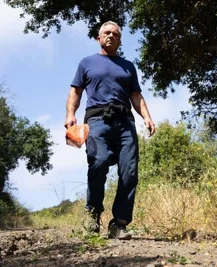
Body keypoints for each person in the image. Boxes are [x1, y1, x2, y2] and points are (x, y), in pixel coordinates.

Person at [64, 21, 155, 240]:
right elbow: (75, 91)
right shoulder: (87, 63)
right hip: (97, 120)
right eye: (107, 33)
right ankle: (93, 215)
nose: (111, 36)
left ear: (120, 40)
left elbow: (136, 95)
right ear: (99, 38)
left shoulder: (128, 66)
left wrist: (147, 117)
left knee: (129, 172)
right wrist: (70, 114)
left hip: (125, 122)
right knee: (99, 161)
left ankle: (119, 224)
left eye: (115, 34)